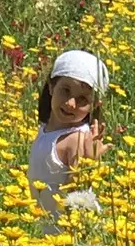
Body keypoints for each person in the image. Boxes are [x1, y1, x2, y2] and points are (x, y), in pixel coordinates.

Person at [28, 49, 109, 230]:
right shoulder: (46, 130)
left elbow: (77, 196)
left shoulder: (77, 140)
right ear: (51, 87)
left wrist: (89, 160)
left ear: (95, 104)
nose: (71, 103)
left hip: (69, 233)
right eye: (65, 91)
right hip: (48, 228)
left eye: (83, 99)